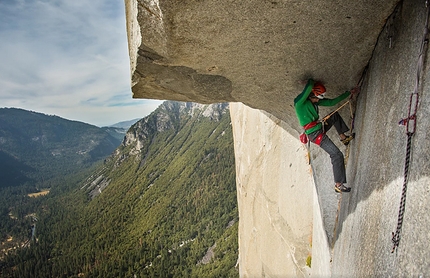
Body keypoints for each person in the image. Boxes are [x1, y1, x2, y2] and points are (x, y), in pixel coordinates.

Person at [294, 79, 356, 193]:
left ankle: (344, 138)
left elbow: (331, 103)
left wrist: (349, 93)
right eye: (316, 98)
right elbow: (310, 85)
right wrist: (308, 83)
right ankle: (338, 184)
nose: (318, 100)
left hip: (319, 127)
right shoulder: (299, 103)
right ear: (311, 94)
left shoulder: (314, 101)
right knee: (336, 154)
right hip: (315, 134)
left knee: (334, 115)